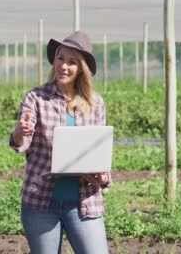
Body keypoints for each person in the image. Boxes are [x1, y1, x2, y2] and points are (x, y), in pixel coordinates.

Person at [9, 31, 111, 254]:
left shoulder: (95, 103)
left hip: (84, 201)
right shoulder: (35, 98)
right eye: (60, 58)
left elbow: (100, 149)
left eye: (72, 62)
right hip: (41, 203)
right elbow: (21, 143)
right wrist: (20, 131)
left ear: (81, 68)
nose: (64, 66)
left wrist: (102, 176)